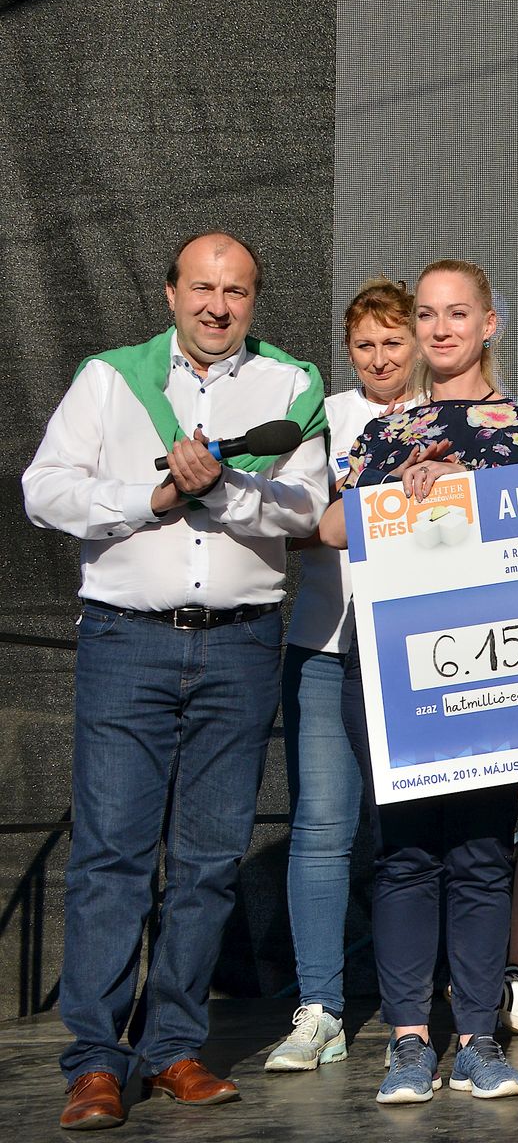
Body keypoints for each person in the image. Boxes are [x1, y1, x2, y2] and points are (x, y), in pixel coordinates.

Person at [23, 232, 328, 1130]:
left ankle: (173, 1050)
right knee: (112, 858)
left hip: (241, 646)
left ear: (254, 299)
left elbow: (305, 507)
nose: (217, 306)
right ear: (170, 294)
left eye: (236, 291)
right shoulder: (110, 378)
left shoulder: (292, 384)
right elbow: (45, 489)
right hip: (127, 643)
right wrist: (151, 498)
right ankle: (95, 1062)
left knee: (207, 862)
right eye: (202, 288)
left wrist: (219, 488)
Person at [322, 258, 518, 1104]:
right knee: (407, 853)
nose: (441, 328)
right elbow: (330, 525)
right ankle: (409, 1042)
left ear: (490, 323)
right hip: (391, 661)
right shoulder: (388, 430)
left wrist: (468, 492)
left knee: (484, 853)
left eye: (458, 314)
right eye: (427, 314)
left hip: (491, 656)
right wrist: (393, 496)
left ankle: (479, 1039)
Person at [266, 277, 421, 1073]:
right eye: (364, 345)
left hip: (420, 650)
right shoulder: (322, 416)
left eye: (393, 342)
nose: (380, 358)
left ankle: (422, 1011)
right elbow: (285, 526)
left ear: (419, 343)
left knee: (418, 836)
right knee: (324, 829)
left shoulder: (452, 416)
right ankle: (320, 1008)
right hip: (325, 646)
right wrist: (354, 507)